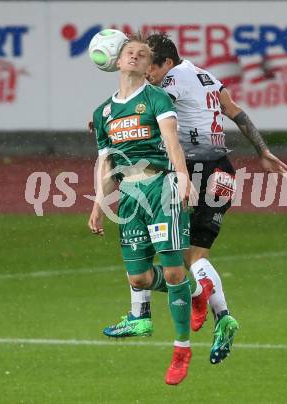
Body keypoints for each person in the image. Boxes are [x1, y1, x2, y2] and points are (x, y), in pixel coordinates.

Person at [103, 33, 287, 365]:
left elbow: (147, 114)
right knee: (196, 255)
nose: (147, 73)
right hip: (223, 172)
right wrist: (262, 150)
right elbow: (237, 112)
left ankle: (143, 313)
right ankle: (224, 317)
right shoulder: (206, 76)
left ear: (167, 64)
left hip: (192, 172)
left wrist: (109, 119)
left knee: (158, 248)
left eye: (151, 67)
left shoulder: (169, 84)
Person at [88, 33, 196, 386]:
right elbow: (105, 164)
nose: (135, 56)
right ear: (117, 62)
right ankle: (166, 306)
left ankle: (181, 349)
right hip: (130, 195)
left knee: (174, 270)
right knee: (139, 278)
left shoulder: (155, 97)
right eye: (129, 52)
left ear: (150, 66)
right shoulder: (103, 112)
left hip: (160, 186)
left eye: (143, 54)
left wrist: (182, 178)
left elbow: (171, 141)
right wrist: (100, 203)